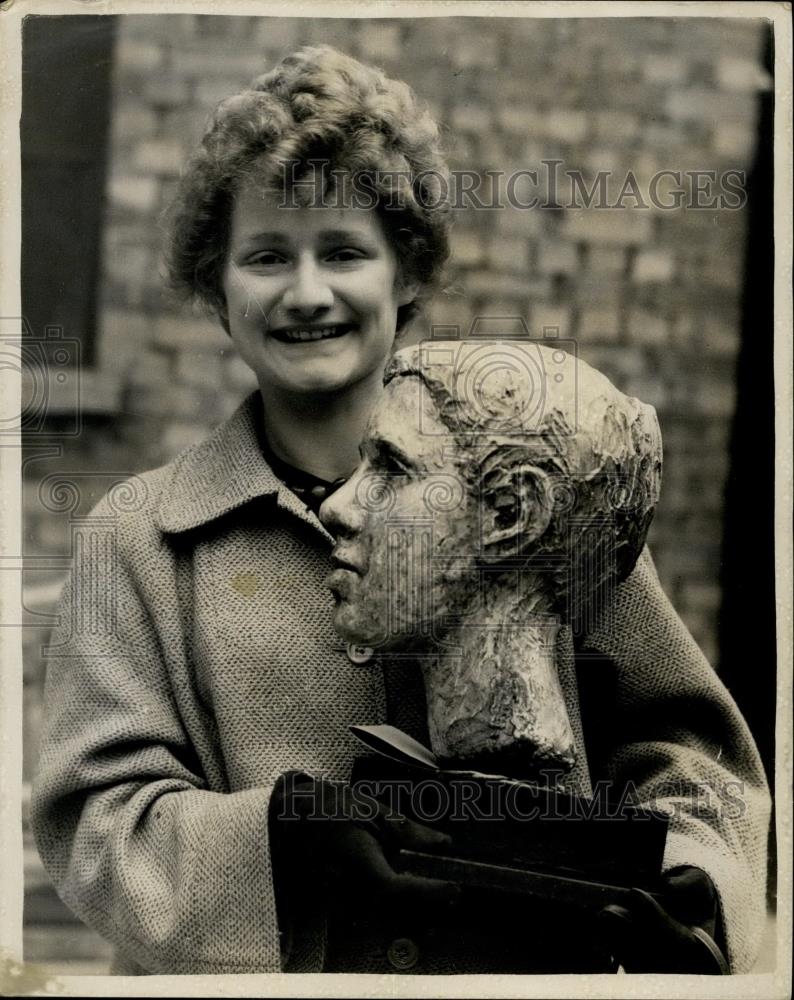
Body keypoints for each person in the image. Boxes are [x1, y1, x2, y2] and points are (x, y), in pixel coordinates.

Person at [30, 44, 770, 976]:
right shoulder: (139, 537)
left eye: (343, 251)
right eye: (266, 256)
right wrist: (286, 853)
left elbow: (693, 757)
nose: (306, 293)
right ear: (217, 288)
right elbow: (98, 821)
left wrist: (697, 893)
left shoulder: (528, 489)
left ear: (406, 273)